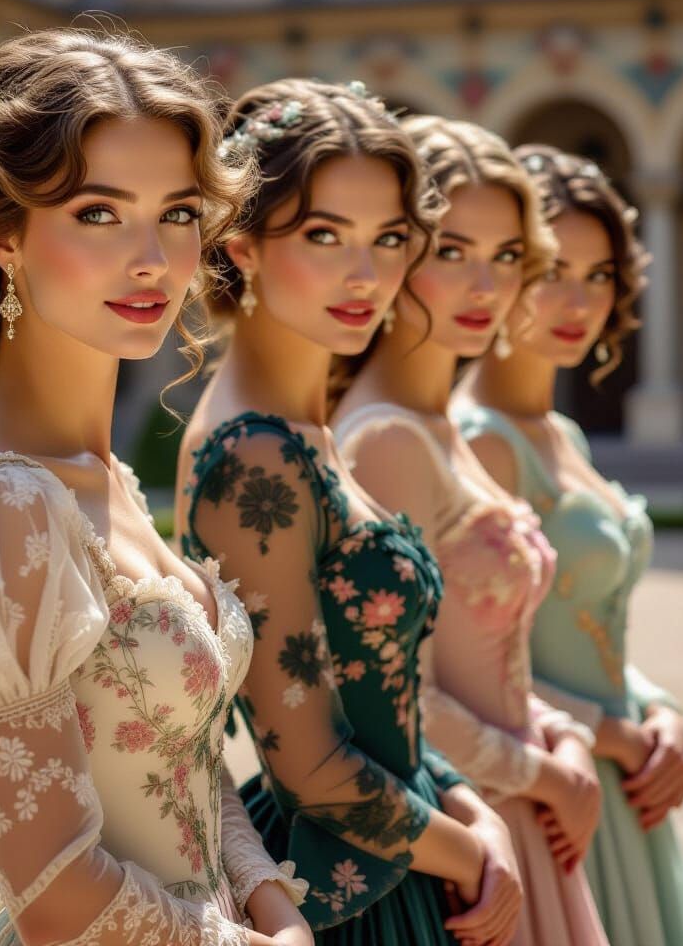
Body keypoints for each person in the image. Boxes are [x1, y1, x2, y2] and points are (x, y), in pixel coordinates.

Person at [0, 28, 310, 946]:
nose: (152, 258)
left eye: (179, 213)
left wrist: (270, 899)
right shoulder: (8, 504)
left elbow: (179, 759)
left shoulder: (102, 477)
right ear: (2, 236)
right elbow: (58, 890)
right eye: (99, 213)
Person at [175, 80, 522, 946]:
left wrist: (483, 813)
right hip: (357, 896)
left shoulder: (305, 426)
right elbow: (313, 772)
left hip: (418, 850)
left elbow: (387, 701)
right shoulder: (255, 456)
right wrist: (475, 852)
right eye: (324, 236)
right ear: (243, 242)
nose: (367, 276)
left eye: (391, 238)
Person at [330, 116, 609, 946]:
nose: (485, 286)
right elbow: (387, 701)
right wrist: (546, 776)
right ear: (396, 250)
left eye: (509, 256)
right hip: (472, 840)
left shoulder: (441, 425)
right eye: (452, 252)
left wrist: (563, 733)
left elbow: (492, 661)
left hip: (531, 808)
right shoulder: (382, 439)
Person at [454, 144, 683, 946]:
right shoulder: (478, 444)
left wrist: (659, 711)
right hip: (555, 788)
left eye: (600, 275)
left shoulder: (561, 433)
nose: (579, 301)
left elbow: (591, 623)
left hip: (627, 777)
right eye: (552, 271)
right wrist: (614, 734)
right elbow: (460, 669)